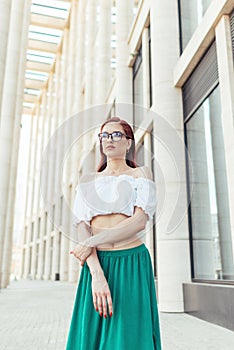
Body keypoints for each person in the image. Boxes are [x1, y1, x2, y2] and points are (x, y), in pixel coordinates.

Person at [66, 116, 162, 350]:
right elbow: (82, 225)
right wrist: (96, 273)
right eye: (105, 135)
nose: (109, 139)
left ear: (128, 142)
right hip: (97, 263)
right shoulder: (88, 181)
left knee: (128, 338)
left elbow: (139, 221)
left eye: (116, 134)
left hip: (131, 263)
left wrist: (93, 240)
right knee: (91, 337)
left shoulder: (141, 175)